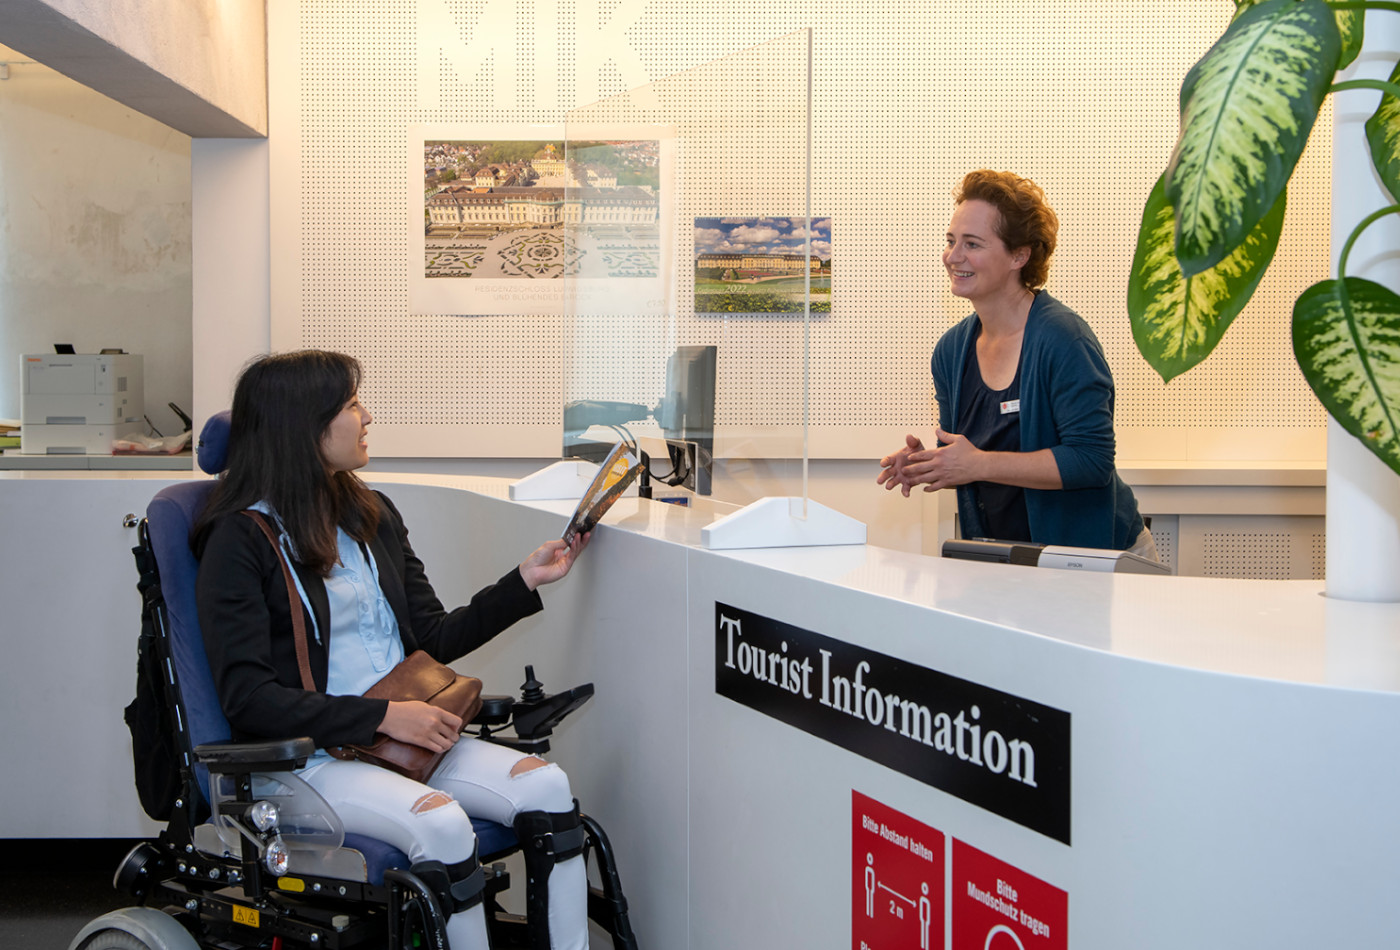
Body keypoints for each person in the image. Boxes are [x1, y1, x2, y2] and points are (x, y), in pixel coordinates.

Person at [193, 350, 592, 950]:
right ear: (304, 425)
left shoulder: (370, 516)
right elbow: (249, 700)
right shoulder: (240, 542)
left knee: (547, 788)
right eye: (352, 405)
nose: (367, 416)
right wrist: (383, 717)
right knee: (441, 822)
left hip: (399, 742)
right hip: (307, 763)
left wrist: (523, 582)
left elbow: (431, 637)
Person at [877, 170, 1155, 558]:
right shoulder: (951, 351)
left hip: (1096, 557)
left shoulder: (1064, 339)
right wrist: (927, 463)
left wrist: (978, 464)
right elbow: (969, 462)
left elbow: (1091, 461)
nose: (953, 257)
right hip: (1010, 557)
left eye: (972, 244)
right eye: (951, 241)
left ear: (1019, 256)